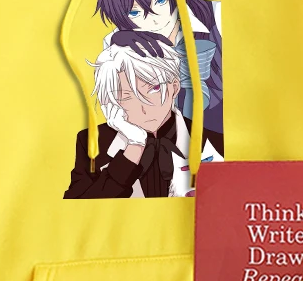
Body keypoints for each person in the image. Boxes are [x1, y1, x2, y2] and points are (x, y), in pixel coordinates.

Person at [93, 0, 224, 154]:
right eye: (134, 12)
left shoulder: (214, 15)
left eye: (161, 1)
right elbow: (115, 106)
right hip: (165, 144)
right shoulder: (117, 43)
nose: (153, 18)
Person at [63, 38, 221, 199]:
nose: (143, 108)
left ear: (174, 87)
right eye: (126, 96)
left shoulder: (213, 142)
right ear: (112, 100)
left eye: (154, 89)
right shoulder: (93, 142)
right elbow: (76, 208)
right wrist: (133, 148)